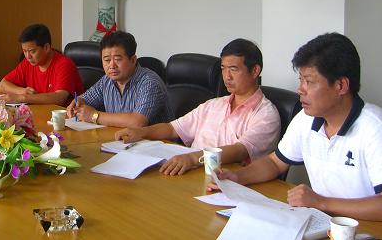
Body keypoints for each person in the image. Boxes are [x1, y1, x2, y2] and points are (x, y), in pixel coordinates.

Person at [210, 33, 382, 221]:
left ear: (341, 85)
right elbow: (275, 163)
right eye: (301, 80)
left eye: (309, 82)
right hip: (324, 222)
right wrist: (237, 177)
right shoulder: (306, 119)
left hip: (365, 228)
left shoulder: (374, 127)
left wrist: (321, 202)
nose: (300, 89)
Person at [115, 38, 280, 175]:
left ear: (255, 71)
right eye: (223, 69)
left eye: (233, 69)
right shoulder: (214, 105)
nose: (226, 77)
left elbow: (240, 150)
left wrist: (194, 158)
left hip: (226, 181)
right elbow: (173, 129)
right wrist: (141, 132)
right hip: (191, 173)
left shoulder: (265, 114)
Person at [65, 31, 170, 127]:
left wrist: (94, 116)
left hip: (154, 141)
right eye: (107, 60)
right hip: (118, 139)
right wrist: (77, 102)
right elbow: (85, 99)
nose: (112, 65)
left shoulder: (150, 83)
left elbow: (137, 122)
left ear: (133, 60)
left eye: (118, 59)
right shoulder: (106, 80)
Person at [0, 23, 83, 106]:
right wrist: (22, 91)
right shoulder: (28, 63)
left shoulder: (64, 64)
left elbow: (60, 98)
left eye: (32, 51)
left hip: (64, 114)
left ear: (46, 47)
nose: (28, 56)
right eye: (24, 51)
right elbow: (2, 85)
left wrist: (23, 97)